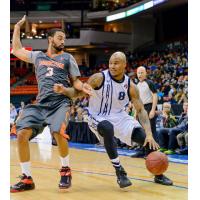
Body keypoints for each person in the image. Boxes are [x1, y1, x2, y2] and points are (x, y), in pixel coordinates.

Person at [53, 51, 173, 188]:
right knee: (108, 128)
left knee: (145, 139)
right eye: (110, 63)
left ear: (124, 65)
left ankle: (158, 174)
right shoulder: (98, 78)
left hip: (120, 117)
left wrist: (150, 134)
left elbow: (140, 110)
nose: (112, 66)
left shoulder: (131, 86)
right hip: (96, 115)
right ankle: (120, 172)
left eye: (116, 63)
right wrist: (65, 91)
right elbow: (78, 93)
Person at [10, 15, 92, 192]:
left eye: (64, 38)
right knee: (22, 133)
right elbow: (16, 50)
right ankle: (27, 179)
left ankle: (65, 170)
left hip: (60, 102)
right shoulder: (38, 56)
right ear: (50, 39)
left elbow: (75, 81)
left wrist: (82, 86)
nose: (63, 41)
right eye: (60, 38)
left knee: (58, 132)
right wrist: (17, 28)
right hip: (41, 103)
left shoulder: (68, 58)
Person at [131, 66, 158, 158]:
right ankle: (142, 150)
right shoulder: (137, 85)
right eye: (138, 73)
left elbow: (155, 96)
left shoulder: (149, 83)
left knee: (150, 131)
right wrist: (135, 113)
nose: (140, 74)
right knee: (141, 132)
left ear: (146, 73)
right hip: (140, 109)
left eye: (142, 72)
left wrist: (153, 110)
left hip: (149, 107)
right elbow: (137, 100)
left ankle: (152, 152)